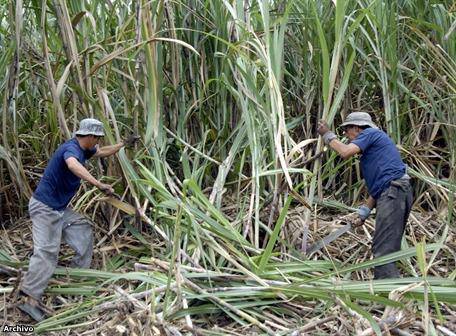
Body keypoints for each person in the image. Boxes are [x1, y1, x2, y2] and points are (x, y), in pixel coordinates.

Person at [18, 118, 139, 321]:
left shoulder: (85, 149)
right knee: (47, 252)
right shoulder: (71, 150)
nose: (98, 142)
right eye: (97, 138)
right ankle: (28, 299)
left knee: (82, 227)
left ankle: (77, 276)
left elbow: (103, 151)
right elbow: (73, 165)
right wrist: (98, 184)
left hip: (58, 209)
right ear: (89, 136)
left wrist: (123, 144)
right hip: (45, 208)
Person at [317, 112, 413, 279]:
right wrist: (364, 213)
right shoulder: (373, 153)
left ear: (357, 128)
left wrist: (327, 134)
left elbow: (345, 152)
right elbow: (380, 186)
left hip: (394, 192)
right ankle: (389, 292)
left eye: (347, 131)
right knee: (385, 246)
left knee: (383, 249)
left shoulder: (370, 133)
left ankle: (389, 297)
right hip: (394, 191)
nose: (346, 136)